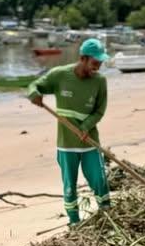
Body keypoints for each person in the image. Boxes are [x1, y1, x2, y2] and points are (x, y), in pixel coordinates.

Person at [28, 39, 110, 225]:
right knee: (69, 187)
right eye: (95, 62)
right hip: (66, 145)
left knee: (99, 180)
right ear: (83, 58)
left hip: (89, 142)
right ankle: (74, 223)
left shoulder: (100, 81)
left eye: (100, 63)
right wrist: (34, 95)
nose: (98, 66)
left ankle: (108, 216)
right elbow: (34, 85)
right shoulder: (60, 75)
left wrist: (85, 126)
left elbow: (99, 111)